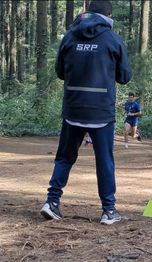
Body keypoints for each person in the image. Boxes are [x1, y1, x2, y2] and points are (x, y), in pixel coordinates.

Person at [40, 0, 131, 225]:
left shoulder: (69, 36)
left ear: (87, 13)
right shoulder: (113, 39)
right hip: (101, 112)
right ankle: (108, 211)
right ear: (108, 15)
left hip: (73, 108)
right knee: (105, 162)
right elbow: (124, 77)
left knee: (64, 158)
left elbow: (60, 72)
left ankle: (52, 203)